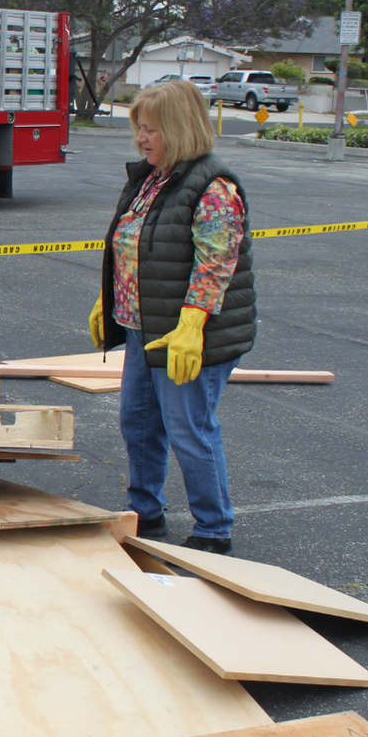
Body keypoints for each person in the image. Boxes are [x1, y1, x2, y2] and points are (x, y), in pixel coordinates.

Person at [89, 78, 254, 555]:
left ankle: (214, 530)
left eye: (151, 129)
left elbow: (214, 265)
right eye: (139, 128)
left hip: (188, 336)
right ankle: (145, 511)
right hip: (144, 328)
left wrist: (192, 325)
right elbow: (132, 245)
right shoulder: (151, 178)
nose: (141, 139)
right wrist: (109, 297)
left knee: (189, 430)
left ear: (179, 129)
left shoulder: (214, 187)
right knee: (138, 423)